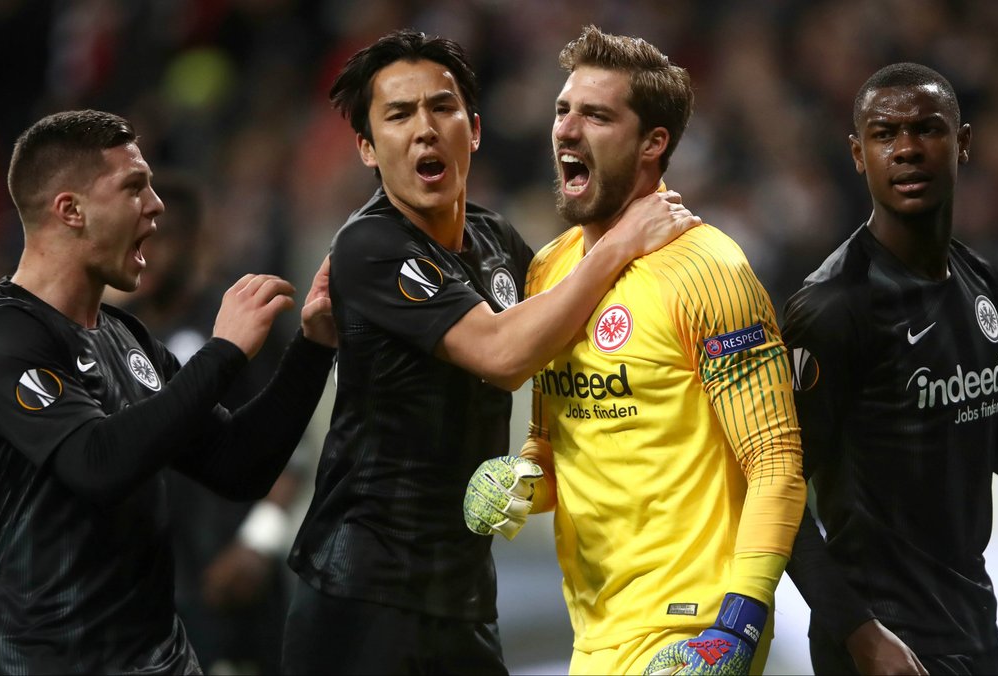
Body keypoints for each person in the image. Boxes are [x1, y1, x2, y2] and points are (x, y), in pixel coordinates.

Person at [282, 29, 699, 675]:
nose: (425, 130)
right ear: (367, 147)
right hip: (364, 596)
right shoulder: (369, 246)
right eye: (399, 115)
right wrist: (622, 243)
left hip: (462, 595)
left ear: (473, 130)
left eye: (441, 108)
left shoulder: (496, 239)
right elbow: (503, 355)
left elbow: (577, 327)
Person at [463, 25, 807, 676]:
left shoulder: (709, 270)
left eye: (596, 116)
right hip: (597, 631)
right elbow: (553, 442)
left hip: (692, 627)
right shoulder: (549, 271)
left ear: (654, 143)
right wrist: (520, 481)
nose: (567, 130)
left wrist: (737, 624)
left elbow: (776, 462)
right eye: (563, 110)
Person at [0, 109, 337, 674]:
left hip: (158, 658)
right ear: (71, 210)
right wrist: (223, 352)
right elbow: (97, 464)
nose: (155, 206)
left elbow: (239, 466)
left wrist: (314, 346)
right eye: (134, 187)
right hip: (45, 661)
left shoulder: (126, 336)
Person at [781, 62, 998, 676]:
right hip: (881, 642)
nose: (906, 149)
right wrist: (860, 634)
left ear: (963, 142)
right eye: (884, 134)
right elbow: (779, 490)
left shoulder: (980, 282)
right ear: (858, 154)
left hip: (972, 625)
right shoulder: (832, 307)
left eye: (927, 129)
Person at [118, 174, 312, 675]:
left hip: (232, 578)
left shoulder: (241, 321)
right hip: (151, 584)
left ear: (193, 240)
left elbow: (292, 447)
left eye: (161, 238)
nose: (148, 254)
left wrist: (257, 544)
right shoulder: (116, 333)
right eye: (138, 240)